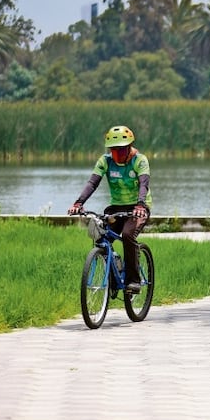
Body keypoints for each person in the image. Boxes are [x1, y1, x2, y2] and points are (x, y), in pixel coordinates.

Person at [68, 125, 152, 294]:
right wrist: (78, 203)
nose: (117, 154)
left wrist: (141, 205)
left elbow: (144, 184)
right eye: (113, 150)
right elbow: (92, 183)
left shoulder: (140, 160)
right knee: (101, 237)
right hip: (116, 207)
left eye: (120, 150)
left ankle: (134, 280)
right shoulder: (105, 161)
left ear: (129, 147)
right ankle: (113, 274)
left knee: (128, 235)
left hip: (137, 208)